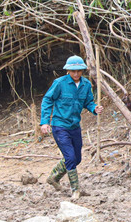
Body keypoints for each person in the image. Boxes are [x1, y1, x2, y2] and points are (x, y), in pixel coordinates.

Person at [40, 55, 102, 199]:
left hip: (74, 126)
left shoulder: (86, 85)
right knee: (70, 156)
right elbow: (47, 100)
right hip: (59, 125)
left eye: (79, 71)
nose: (75, 74)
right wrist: (45, 122)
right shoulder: (59, 83)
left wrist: (95, 109)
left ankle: (53, 177)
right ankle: (75, 189)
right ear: (68, 70)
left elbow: (88, 102)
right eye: (73, 71)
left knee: (76, 158)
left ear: (82, 71)